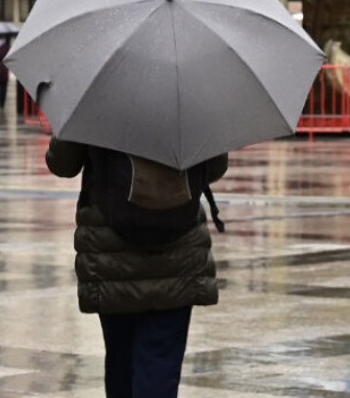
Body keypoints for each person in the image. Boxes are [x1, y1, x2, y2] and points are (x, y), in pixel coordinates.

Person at [46, 138, 228, 398]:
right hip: (177, 255)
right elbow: (214, 169)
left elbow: (62, 163)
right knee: (161, 367)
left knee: (121, 360)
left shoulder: (95, 99)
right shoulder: (195, 101)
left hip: (112, 254)